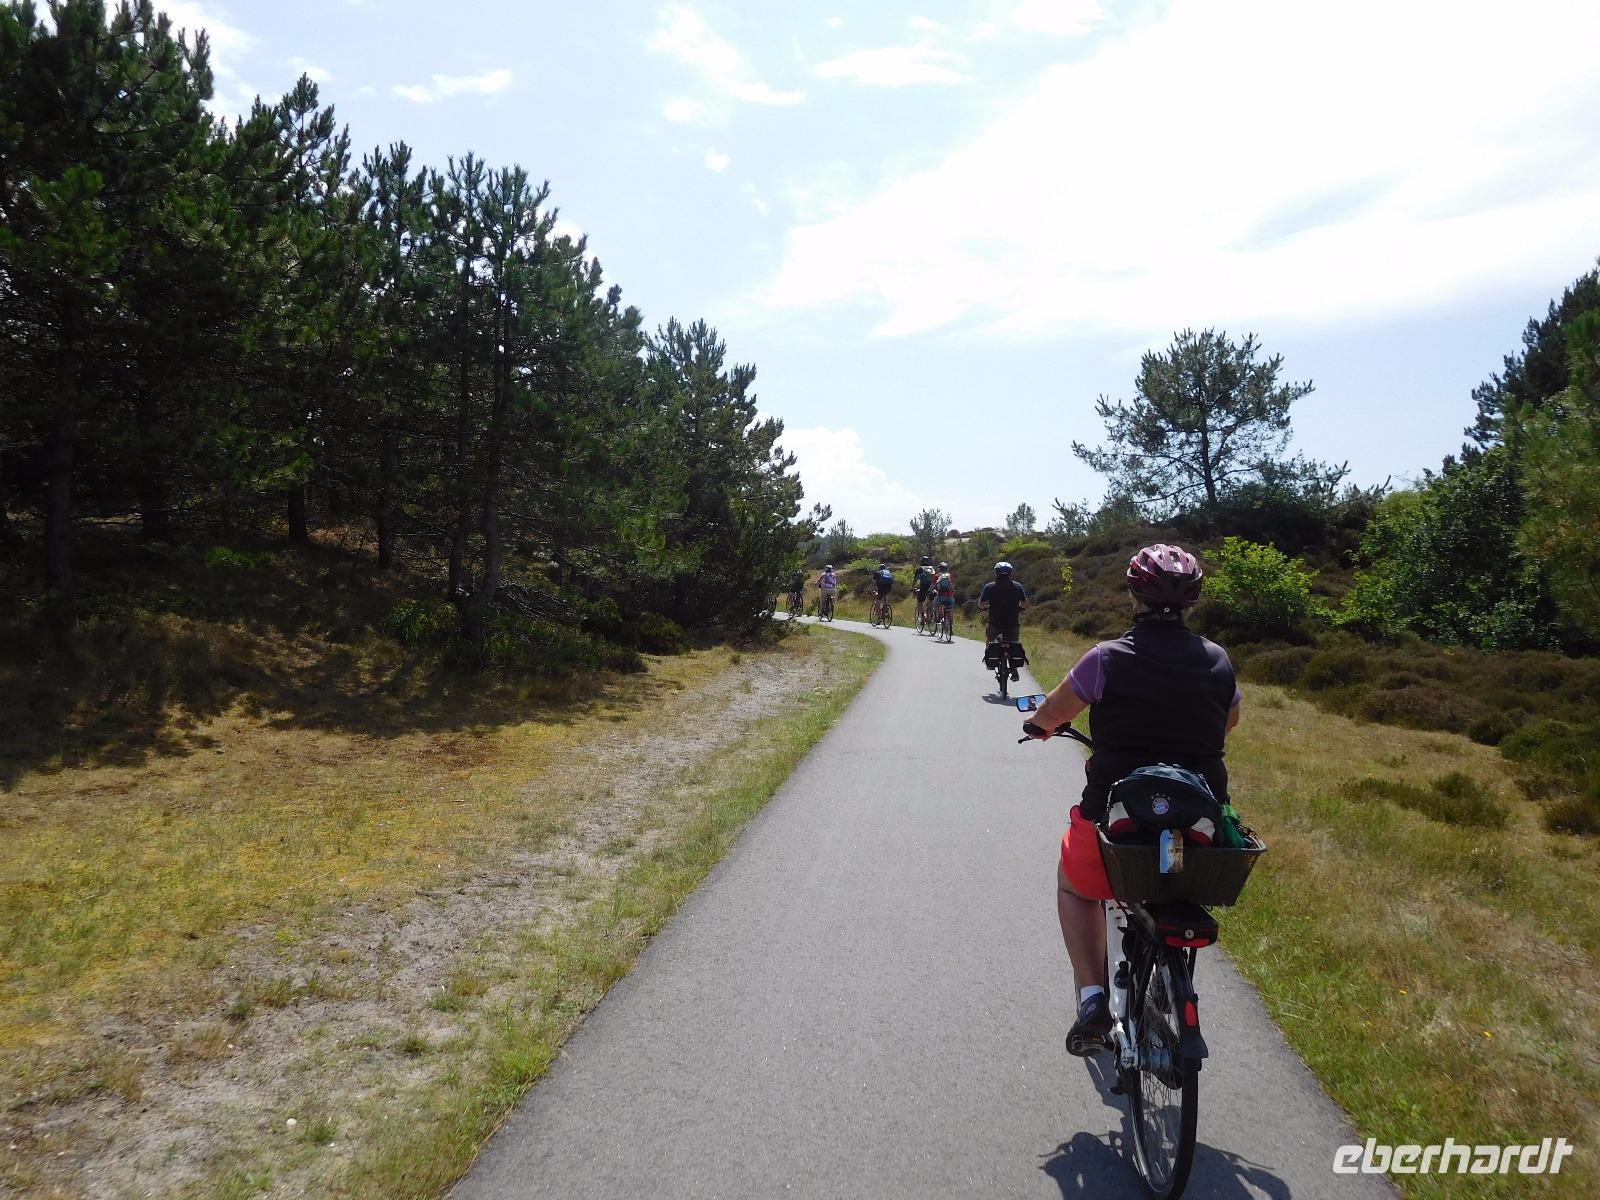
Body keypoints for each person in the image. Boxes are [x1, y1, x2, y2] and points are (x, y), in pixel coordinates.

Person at [1025, 544, 1241, 1057]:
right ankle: (1165, 976)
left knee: (1076, 887)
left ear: (1133, 594)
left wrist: (1040, 726)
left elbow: (1053, 712)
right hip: (1198, 821)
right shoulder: (1217, 660)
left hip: (1116, 816)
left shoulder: (1106, 658)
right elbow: (1227, 722)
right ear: (1192, 601)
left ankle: (1093, 1000)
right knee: (1172, 873)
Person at [978, 561, 1027, 679]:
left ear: (996, 573)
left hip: (995, 623)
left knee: (990, 639)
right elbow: (1025, 603)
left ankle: (990, 662)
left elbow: (981, 604)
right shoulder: (1017, 586)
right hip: (1012, 623)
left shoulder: (989, 587)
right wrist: (1019, 607)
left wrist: (985, 607)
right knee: (1014, 643)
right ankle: (1014, 669)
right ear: (1010, 573)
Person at [912, 555, 936, 626]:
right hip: (932, 588)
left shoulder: (920, 569)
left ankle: (923, 617)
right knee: (930, 601)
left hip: (924, 588)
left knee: (919, 601)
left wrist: (913, 588)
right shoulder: (932, 569)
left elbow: (915, 580)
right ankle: (931, 616)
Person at [933, 561, 955, 633]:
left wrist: (929, 590)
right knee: (950, 610)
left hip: (941, 596)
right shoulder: (950, 576)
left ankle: (938, 616)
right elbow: (953, 586)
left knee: (935, 604)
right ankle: (951, 628)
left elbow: (933, 585)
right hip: (950, 597)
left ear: (939, 568)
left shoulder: (937, 576)